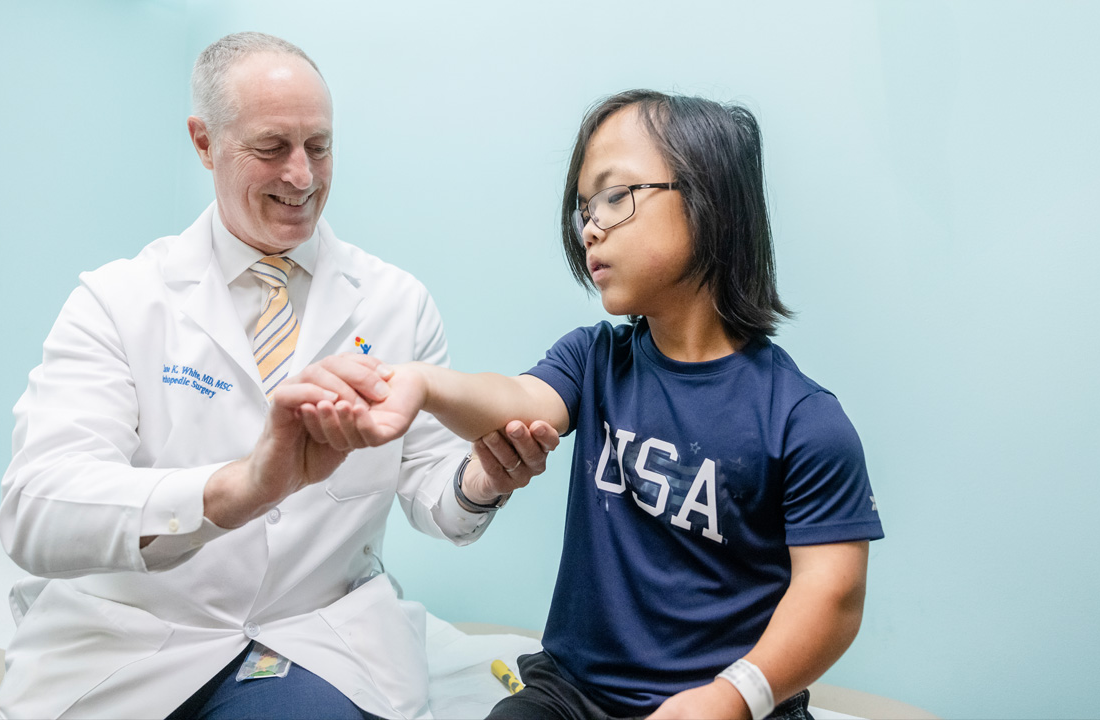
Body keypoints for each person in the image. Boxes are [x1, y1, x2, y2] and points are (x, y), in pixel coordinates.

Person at [0, 32, 556, 720]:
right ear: (204, 143)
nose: (302, 176)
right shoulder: (118, 302)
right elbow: (36, 511)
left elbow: (436, 498)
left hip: (314, 637)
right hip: (136, 644)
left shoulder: (395, 302)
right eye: (272, 148)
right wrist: (240, 488)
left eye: (319, 146)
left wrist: (482, 481)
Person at [317, 90, 885, 720]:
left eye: (615, 197)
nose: (590, 226)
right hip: (573, 696)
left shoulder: (803, 422)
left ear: (711, 202)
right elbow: (515, 401)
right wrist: (423, 384)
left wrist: (733, 696)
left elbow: (832, 596)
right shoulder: (593, 359)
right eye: (584, 208)